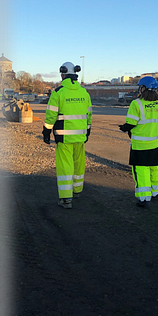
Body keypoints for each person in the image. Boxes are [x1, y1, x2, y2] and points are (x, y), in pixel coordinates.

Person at [118, 76, 158, 208]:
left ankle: (144, 198)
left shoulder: (136, 103)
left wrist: (123, 128)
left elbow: (131, 123)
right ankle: (155, 191)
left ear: (143, 88)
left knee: (141, 170)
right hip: (157, 143)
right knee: (154, 166)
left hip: (141, 146)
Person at [42, 62, 92, 209]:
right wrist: (88, 130)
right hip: (81, 135)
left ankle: (66, 198)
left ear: (63, 74)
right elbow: (89, 114)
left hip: (64, 136)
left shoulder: (58, 92)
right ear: (75, 74)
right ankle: (77, 190)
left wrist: (46, 131)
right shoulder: (84, 92)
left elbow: (51, 115)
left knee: (65, 166)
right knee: (78, 163)